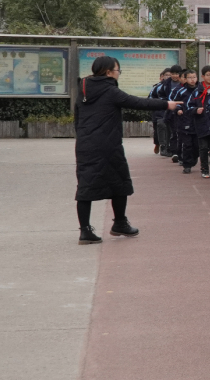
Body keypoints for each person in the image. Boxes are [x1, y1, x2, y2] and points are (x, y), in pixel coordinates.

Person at [74, 56, 181, 244]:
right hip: (108, 145)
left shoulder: (83, 89)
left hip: (85, 144)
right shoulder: (109, 89)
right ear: (108, 72)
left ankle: (85, 230)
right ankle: (120, 222)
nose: (118, 74)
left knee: (86, 186)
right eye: (117, 70)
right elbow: (137, 102)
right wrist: (166, 104)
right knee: (119, 181)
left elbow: (77, 118)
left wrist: (84, 137)